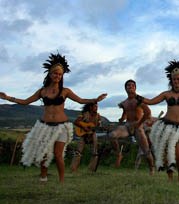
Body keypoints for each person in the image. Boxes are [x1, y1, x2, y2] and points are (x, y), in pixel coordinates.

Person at [0, 53, 107, 184]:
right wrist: (8, 98)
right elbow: (26, 101)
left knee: (58, 155)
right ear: (50, 74)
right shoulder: (42, 91)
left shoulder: (65, 91)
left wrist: (95, 99)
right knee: (44, 155)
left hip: (62, 127)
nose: (57, 76)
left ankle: (61, 180)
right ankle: (43, 177)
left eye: (60, 74)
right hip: (45, 126)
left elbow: (80, 100)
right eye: (55, 73)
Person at [109, 79, 155, 175]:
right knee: (112, 135)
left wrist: (139, 124)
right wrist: (122, 118)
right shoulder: (124, 103)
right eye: (128, 85)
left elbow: (148, 113)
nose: (131, 87)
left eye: (133, 85)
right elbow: (125, 113)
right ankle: (119, 155)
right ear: (125, 88)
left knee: (146, 151)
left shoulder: (139, 100)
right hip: (128, 125)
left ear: (135, 88)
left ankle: (152, 169)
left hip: (138, 125)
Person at [70, 102, 101, 173]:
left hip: (92, 134)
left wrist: (100, 126)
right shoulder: (84, 114)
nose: (97, 108)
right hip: (83, 134)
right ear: (90, 107)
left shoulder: (98, 116)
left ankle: (92, 170)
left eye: (97, 107)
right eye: (95, 107)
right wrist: (84, 127)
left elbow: (98, 126)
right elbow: (76, 122)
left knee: (95, 152)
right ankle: (73, 169)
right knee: (78, 152)